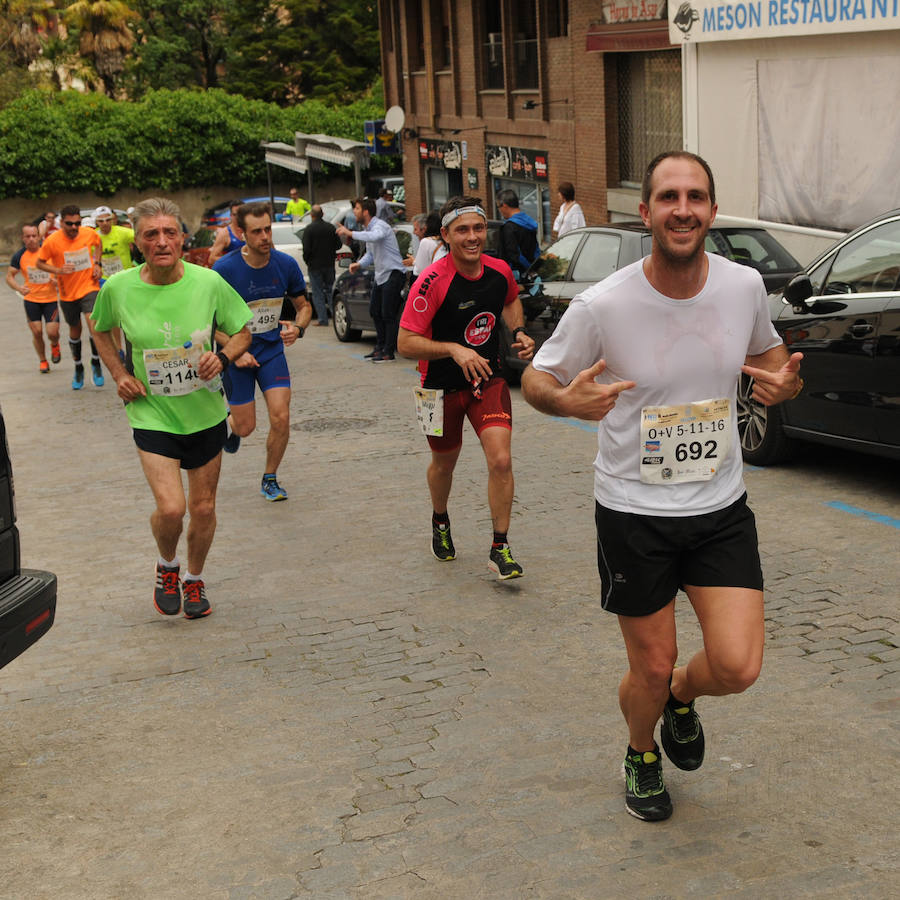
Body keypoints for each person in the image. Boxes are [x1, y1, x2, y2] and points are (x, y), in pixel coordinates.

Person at [520, 151, 804, 822]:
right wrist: (566, 404)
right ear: (645, 212)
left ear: (711, 210)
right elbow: (539, 376)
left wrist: (783, 383)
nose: (684, 209)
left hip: (719, 507)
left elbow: (766, 356)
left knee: (736, 666)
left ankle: (682, 696)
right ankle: (641, 751)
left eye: (696, 196)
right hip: (633, 512)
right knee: (648, 664)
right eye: (669, 197)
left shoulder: (742, 288)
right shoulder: (605, 302)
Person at [90, 197, 252, 619]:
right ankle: (168, 567)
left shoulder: (208, 282)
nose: (161, 241)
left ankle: (194, 580)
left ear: (183, 238)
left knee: (203, 508)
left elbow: (242, 331)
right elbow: (100, 329)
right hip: (151, 411)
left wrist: (224, 355)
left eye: (169, 233)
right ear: (139, 243)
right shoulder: (119, 287)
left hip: (205, 412)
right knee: (172, 508)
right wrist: (120, 374)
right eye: (151, 235)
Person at [397, 196, 536, 580]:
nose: (473, 237)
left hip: (486, 380)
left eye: (478, 228)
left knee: (501, 460)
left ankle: (500, 547)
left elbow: (509, 301)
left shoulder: (499, 270)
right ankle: (440, 520)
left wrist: (519, 331)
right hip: (439, 387)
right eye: (462, 230)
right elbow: (405, 342)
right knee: (445, 462)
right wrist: (454, 350)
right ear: (445, 235)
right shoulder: (432, 282)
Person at [212, 202, 312, 501]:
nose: (265, 236)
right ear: (241, 234)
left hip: (270, 352)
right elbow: (208, 323)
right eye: (257, 231)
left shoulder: (285, 265)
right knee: (245, 428)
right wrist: (232, 351)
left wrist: (298, 327)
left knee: (281, 417)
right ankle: (229, 424)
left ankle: (270, 477)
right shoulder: (224, 270)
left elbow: (303, 306)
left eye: (268, 229)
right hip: (237, 358)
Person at [36, 204, 105, 390]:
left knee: (94, 326)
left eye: (77, 223)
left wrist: (97, 263)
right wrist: (57, 270)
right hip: (67, 293)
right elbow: (40, 263)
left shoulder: (89, 234)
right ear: (61, 222)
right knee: (75, 330)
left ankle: (96, 362)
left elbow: (98, 244)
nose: (74, 227)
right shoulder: (52, 241)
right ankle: (78, 367)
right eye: (70, 224)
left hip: (89, 287)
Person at [336, 197, 407, 361]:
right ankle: (379, 347)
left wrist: (350, 233)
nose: (355, 212)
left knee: (388, 313)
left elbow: (375, 237)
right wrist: (358, 264)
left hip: (394, 273)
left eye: (357, 209)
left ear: (366, 212)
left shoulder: (380, 226)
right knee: (375, 311)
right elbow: (370, 254)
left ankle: (389, 351)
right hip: (381, 275)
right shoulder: (368, 230)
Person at [6, 224, 61, 373]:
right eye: (27, 236)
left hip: (50, 299)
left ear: (39, 236)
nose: (31, 239)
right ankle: (43, 361)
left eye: (34, 236)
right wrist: (19, 288)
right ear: (23, 238)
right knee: (37, 332)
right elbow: (9, 276)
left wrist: (57, 280)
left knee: (52, 333)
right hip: (31, 300)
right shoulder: (19, 256)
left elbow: (60, 268)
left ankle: (55, 345)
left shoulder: (47, 252)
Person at [301, 204, 342, 327]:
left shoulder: (309, 229)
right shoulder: (330, 228)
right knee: (330, 290)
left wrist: (308, 260)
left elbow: (306, 249)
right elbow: (338, 245)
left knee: (317, 292)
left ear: (312, 215)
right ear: (323, 214)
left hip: (314, 265)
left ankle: (323, 319)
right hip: (329, 264)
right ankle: (335, 316)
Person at [496, 189, 540, 280]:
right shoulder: (529, 222)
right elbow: (536, 248)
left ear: (504, 206)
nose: (500, 210)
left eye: (498, 207)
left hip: (516, 276)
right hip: (531, 274)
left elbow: (514, 255)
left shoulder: (509, 227)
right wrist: (532, 268)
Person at [94, 205, 135, 280]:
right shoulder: (93, 236)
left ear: (112, 219)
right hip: (105, 279)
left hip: (125, 276)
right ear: (96, 221)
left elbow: (142, 237)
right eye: (101, 221)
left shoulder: (122, 232)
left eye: (108, 220)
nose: (105, 223)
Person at [207, 201, 245, 265]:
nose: (238, 217)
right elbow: (212, 259)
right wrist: (234, 262)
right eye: (235, 215)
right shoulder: (225, 233)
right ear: (231, 216)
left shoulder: (250, 229)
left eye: (240, 214)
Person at [412, 211, 446, 276]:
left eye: (415, 229)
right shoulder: (447, 241)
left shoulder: (427, 242)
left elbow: (419, 271)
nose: (414, 232)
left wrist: (414, 262)